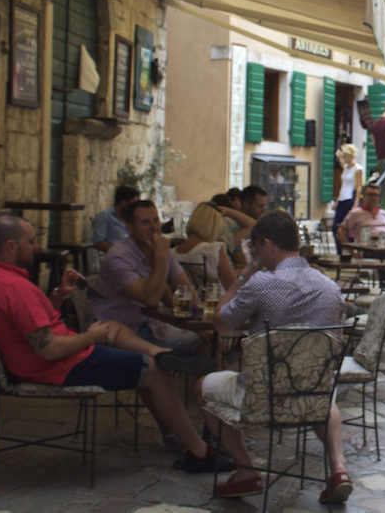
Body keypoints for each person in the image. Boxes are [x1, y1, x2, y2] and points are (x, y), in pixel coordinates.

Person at [0, 215, 232, 474]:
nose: (37, 246)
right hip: (58, 366)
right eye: (30, 241)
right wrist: (91, 338)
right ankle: (201, 452)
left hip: (50, 359)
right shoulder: (15, 288)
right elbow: (48, 349)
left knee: (116, 330)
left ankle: (162, 352)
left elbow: (25, 327)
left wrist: (56, 299)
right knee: (152, 370)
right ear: (11, 246)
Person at [197, 211, 352, 502]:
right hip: (311, 391)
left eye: (256, 248)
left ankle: (246, 471)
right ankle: (339, 470)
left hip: (263, 395)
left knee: (202, 387)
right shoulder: (331, 289)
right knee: (322, 396)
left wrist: (244, 271)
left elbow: (220, 322)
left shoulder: (259, 284)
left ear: (266, 245)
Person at [91, 200, 203, 353]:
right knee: (197, 343)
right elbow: (150, 298)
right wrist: (161, 257)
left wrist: (198, 319)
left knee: (207, 340)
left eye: (156, 220)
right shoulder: (118, 257)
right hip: (119, 331)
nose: (154, 228)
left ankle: (206, 377)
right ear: (129, 228)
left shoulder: (161, 250)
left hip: (151, 326)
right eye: (145, 222)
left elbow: (188, 293)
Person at [336, 182, 385, 286]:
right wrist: (353, 252)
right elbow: (341, 232)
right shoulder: (356, 213)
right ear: (363, 197)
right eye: (370, 195)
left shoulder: (383, 213)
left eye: (376, 195)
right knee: (380, 255)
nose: (373, 198)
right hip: (367, 249)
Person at [172, 203, 237, 290]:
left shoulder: (172, 253)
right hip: (216, 301)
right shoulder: (213, 249)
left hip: (187, 300)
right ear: (214, 226)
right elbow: (232, 287)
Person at [332, 143, 364, 249]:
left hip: (349, 200)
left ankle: (348, 250)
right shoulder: (345, 168)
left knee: (347, 227)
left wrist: (356, 203)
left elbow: (359, 187)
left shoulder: (358, 169)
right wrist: (337, 201)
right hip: (342, 199)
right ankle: (339, 250)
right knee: (335, 227)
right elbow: (343, 185)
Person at [91, 185, 139, 251]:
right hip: (118, 257)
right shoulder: (104, 216)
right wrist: (119, 251)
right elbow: (98, 243)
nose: (134, 209)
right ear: (123, 203)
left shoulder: (127, 219)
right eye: (132, 205)